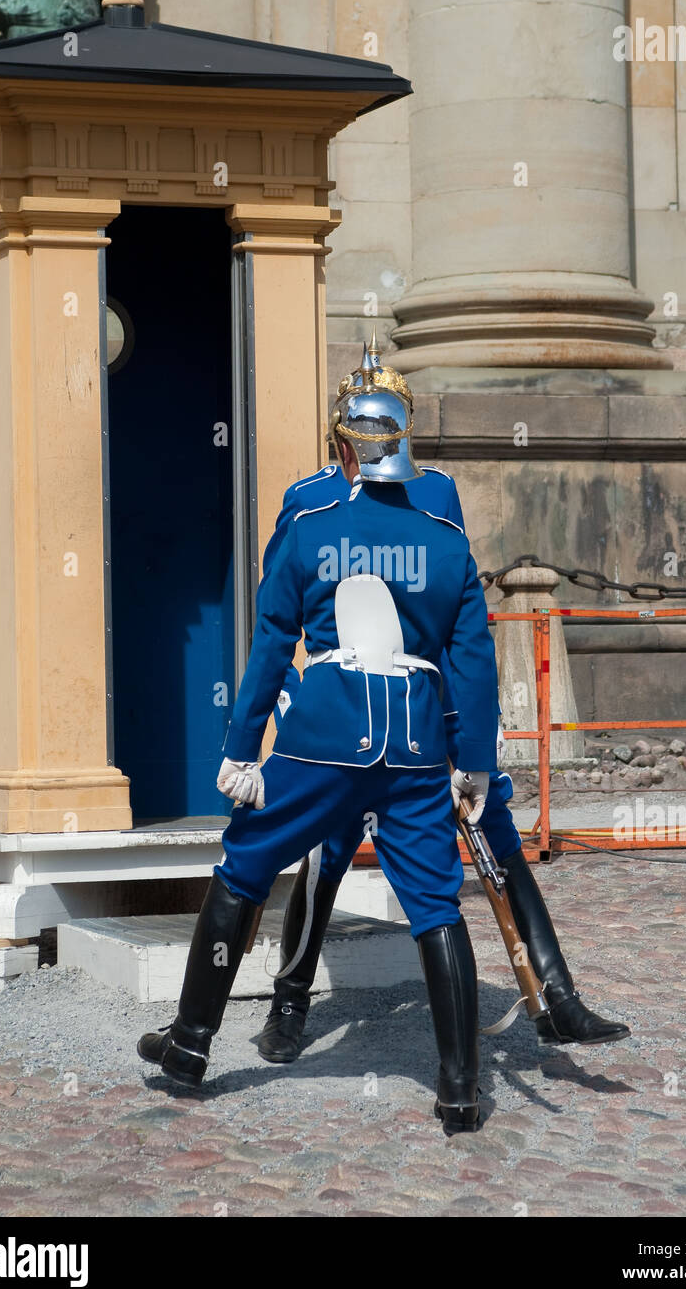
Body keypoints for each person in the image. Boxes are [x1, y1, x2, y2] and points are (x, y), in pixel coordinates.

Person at [138, 345, 500, 1134]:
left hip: (323, 735)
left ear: (342, 445)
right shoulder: (445, 531)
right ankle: (461, 1085)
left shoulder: (307, 521)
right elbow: (471, 655)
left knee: (243, 868)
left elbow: (272, 640)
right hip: (411, 746)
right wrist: (474, 760)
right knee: (436, 908)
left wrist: (240, 747)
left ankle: (192, 1044)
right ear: (405, 440)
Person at [257, 339, 629, 1064]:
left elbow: (458, 619)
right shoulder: (307, 499)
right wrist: (292, 701)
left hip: (430, 707)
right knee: (326, 853)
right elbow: (280, 612)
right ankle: (291, 1000)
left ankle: (557, 997)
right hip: (343, 705)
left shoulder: (438, 493)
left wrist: (474, 744)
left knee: (496, 834)